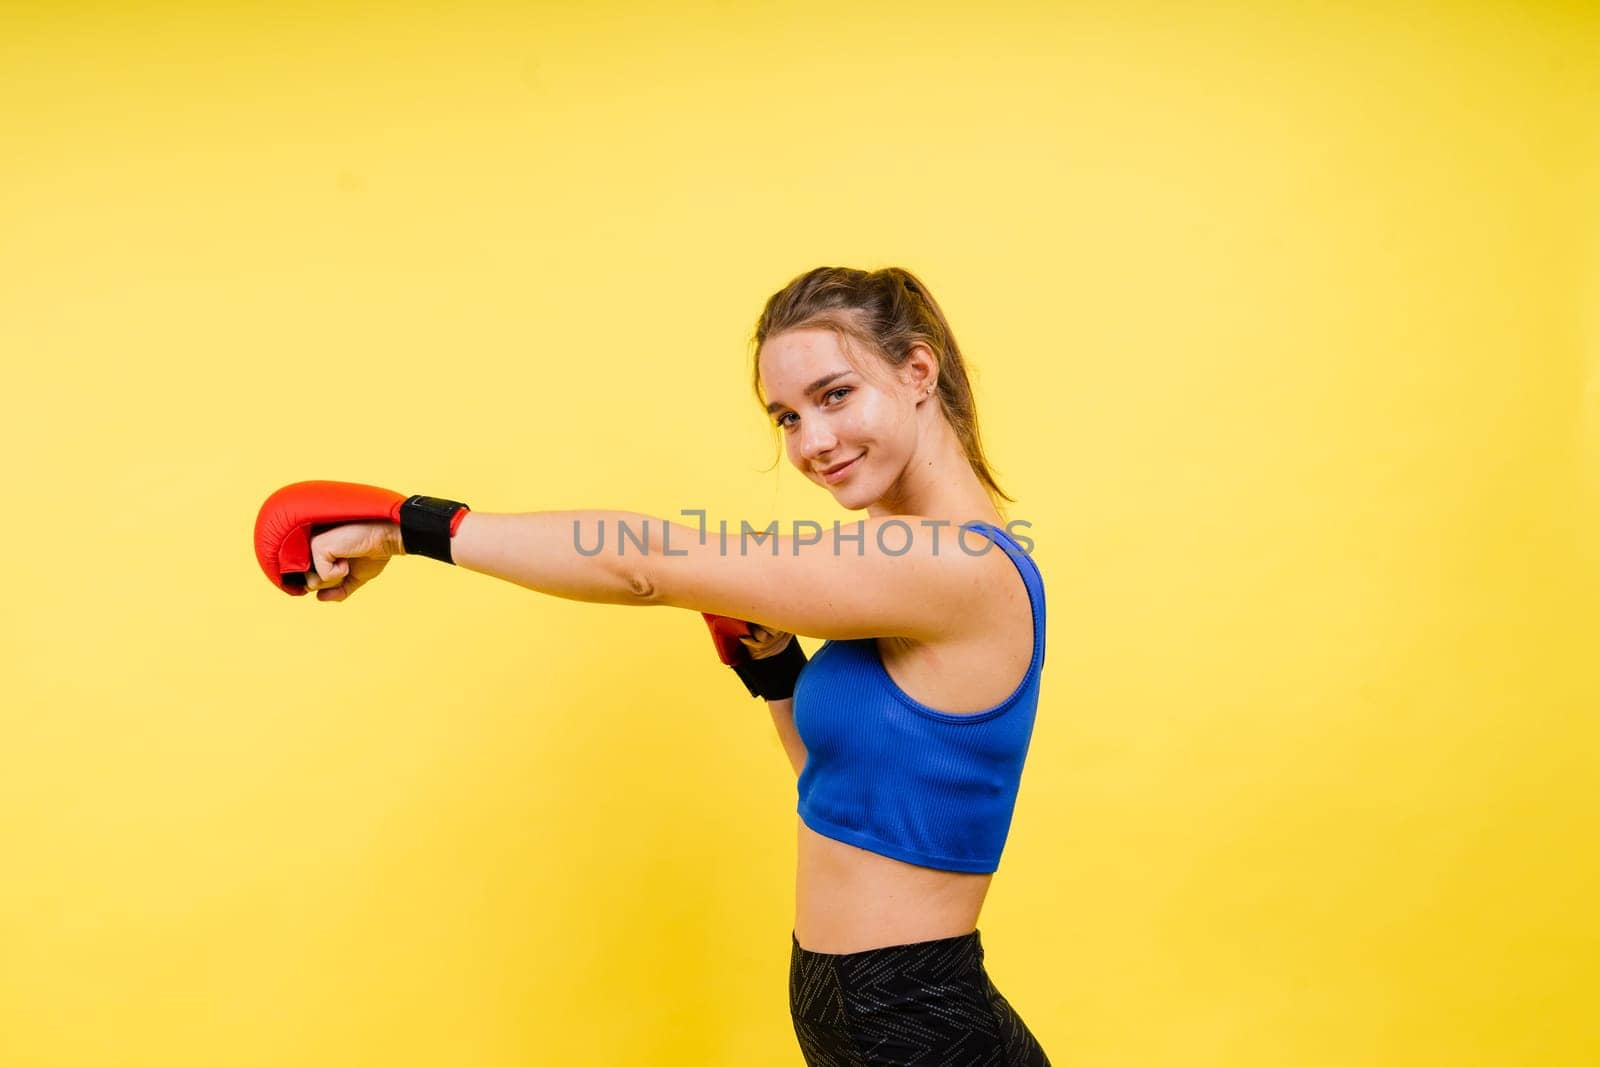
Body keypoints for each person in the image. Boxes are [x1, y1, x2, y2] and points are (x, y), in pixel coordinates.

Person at [277, 266, 1051, 1065]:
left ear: (918, 372)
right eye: (786, 416)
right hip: (872, 1016)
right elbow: (842, 796)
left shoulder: (959, 564)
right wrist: (778, 672)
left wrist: (403, 525)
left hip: (919, 1024)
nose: (811, 442)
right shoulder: (893, 576)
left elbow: (645, 563)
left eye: (834, 395)